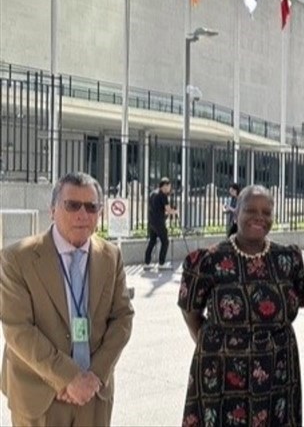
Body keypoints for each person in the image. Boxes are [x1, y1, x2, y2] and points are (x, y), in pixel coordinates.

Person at [0, 172, 135, 426]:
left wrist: (94, 376)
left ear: (100, 213)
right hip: (40, 394)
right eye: (72, 205)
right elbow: (18, 329)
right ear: (52, 210)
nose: (82, 214)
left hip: (93, 395)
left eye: (91, 206)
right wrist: (69, 377)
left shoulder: (111, 256)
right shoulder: (17, 258)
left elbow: (123, 317)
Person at [178, 184, 304, 427]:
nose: (259, 217)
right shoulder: (208, 260)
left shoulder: (288, 259)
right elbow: (190, 311)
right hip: (222, 369)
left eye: (266, 212)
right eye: (250, 210)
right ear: (236, 213)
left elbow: (296, 306)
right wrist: (215, 345)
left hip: (277, 368)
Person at [144, 177, 177, 271]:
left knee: (152, 241)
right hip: (159, 223)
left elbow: (156, 208)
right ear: (165, 186)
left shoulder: (152, 193)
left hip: (151, 222)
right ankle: (161, 263)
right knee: (165, 241)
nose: (170, 189)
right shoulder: (163, 195)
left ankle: (147, 263)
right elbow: (168, 210)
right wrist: (175, 211)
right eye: (169, 187)